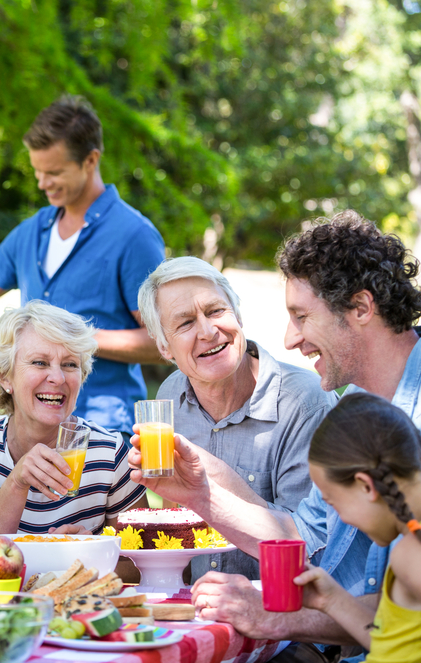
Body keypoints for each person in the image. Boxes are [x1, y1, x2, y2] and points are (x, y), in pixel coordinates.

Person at [128, 212, 421, 662]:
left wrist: (280, 618)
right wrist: (200, 494)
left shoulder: (333, 409)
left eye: (301, 317)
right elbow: (303, 536)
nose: (288, 340)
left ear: (361, 308)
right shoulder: (357, 411)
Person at [0, 95, 165, 437]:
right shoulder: (31, 232)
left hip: (102, 433)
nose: (43, 183)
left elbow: (163, 343)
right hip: (30, 432)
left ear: (90, 160)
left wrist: (75, 339)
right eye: (37, 172)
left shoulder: (134, 236)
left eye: (54, 172)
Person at [136, 256, 335, 580]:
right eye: (185, 323)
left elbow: (314, 547)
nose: (208, 331)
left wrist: (215, 480)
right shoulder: (170, 396)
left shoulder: (306, 403)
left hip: (278, 606)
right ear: (164, 347)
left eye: (216, 311)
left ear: (238, 315)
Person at [0, 300, 148, 551]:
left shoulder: (109, 453)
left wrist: (92, 549)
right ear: (5, 376)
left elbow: (145, 559)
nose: (57, 378)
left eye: (70, 364)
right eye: (39, 363)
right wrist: (16, 482)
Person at [292, 393, 421, 660]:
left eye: (333, 503)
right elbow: (394, 641)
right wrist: (331, 599)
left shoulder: (411, 554)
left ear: (365, 486)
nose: (342, 518)